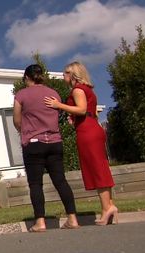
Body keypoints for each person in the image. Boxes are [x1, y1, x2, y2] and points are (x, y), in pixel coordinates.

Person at [44, 61, 117, 226]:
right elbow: (88, 111)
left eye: (65, 73)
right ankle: (109, 206)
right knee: (100, 168)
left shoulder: (78, 90)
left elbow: (82, 109)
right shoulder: (87, 90)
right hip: (91, 128)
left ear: (72, 75)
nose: (63, 76)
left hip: (87, 132)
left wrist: (58, 105)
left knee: (97, 169)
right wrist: (74, 118)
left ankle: (107, 208)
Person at [13, 64, 80, 232]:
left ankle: (40, 222)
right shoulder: (53, 93)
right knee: (60, 181)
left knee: (35, 184)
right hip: (55, 142)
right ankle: (72, 218)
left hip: (34, 144)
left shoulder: (21, 95)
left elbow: (16, 119)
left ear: (27, 78)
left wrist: (24, 130)